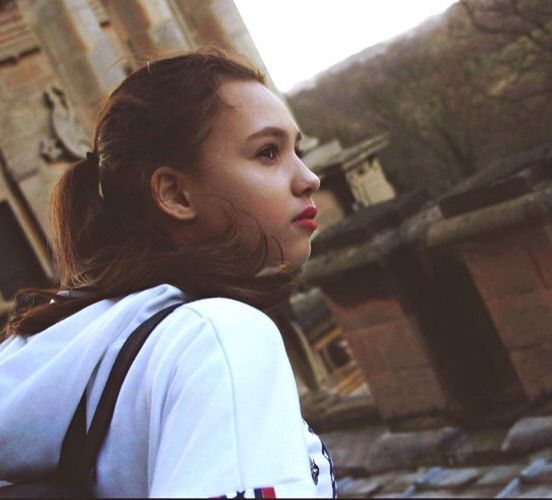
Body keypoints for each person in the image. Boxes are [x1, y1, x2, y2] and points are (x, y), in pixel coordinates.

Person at [0, 50, 335, 498]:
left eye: (297, 149)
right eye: (268, 153)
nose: (308, 178)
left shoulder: (54, 340)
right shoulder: (219, 335)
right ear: (175, 194)